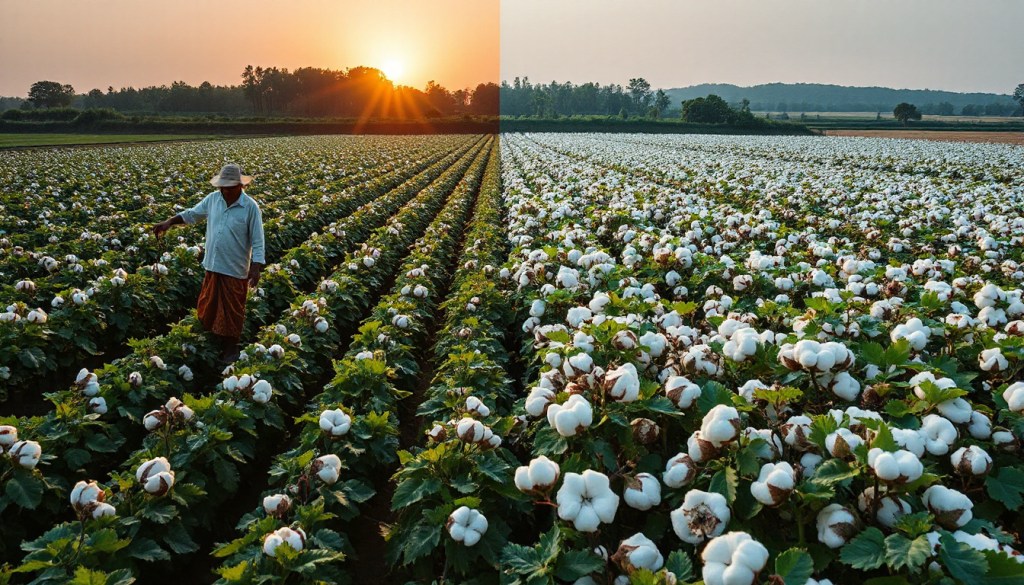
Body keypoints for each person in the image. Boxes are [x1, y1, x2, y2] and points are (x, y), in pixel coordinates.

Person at [152, 163, 265, 364]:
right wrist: (169, 222)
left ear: (241, 186)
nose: (226, 191)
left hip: (235, 267)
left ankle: (231, 346)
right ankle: (212, 339)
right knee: (209, 305)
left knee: (232, 310)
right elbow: (192, 214)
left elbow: (257, 240)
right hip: (213, 264)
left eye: (231, 187)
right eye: (223, 187)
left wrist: (255, 267)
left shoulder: (250, 208)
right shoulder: (213, 200)